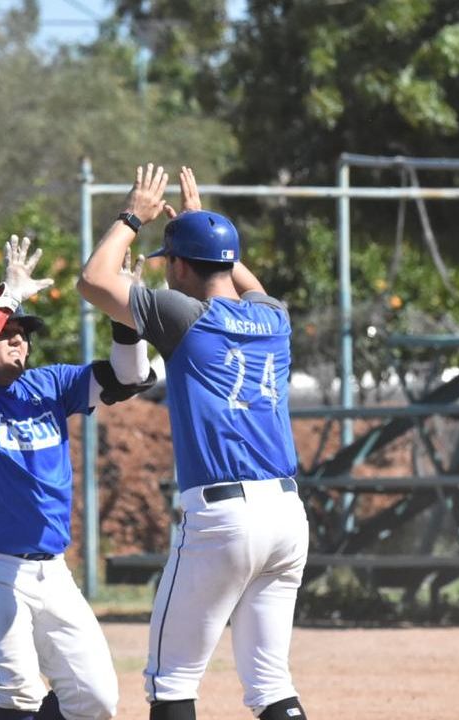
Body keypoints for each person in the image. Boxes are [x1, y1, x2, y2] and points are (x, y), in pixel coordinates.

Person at [76, 165, 309, 720]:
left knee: (172, 680)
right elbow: (247, 285)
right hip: (288, 516)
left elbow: (94, 280)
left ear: (179, 266)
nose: (166, 274)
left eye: (170, 263)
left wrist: (134, 214)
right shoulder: (273, 318)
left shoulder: (184, 315)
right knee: (270, 683)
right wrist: (205, 226)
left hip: (225, 520)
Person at [0, 233, 157, 720]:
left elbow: (129, 376)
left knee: (94, 698)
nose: (18, 338)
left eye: (22, 332)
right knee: (19, 690)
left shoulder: (47, 386)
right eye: (6, 330)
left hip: (51, 569)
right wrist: (5, 297)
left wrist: (125, 318)